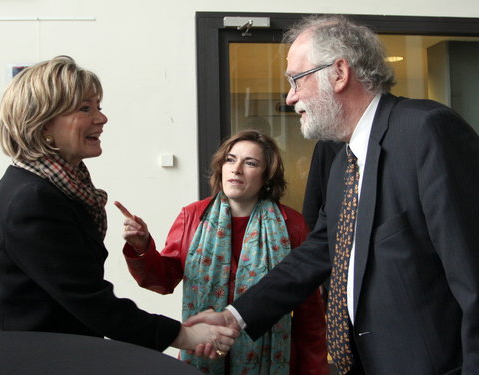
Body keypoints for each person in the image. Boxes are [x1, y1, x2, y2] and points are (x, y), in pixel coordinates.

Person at [186, 15, 479, 375]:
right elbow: (321, 249)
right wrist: (235, 316)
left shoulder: (426, 131)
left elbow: (472, 275)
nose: (290, 96)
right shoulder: (343, 159)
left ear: (339, 73)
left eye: (296, 79)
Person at [0, 55, 237, 357]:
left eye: (98, 106)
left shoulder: (54, 188)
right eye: (85, 108)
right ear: (44, 123)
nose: (102, 118)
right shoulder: (32, 199)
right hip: (40, 357)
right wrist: (184, 335)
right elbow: (89, 299)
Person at [115, 129, 329, 375]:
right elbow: (162, 281)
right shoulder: (192, 217)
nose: (236, 169)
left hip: (271, 362)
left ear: (266, 176)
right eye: (230, 159)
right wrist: (142, 247)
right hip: (201, 353)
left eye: (250, 163)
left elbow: (309, 318)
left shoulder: (292, 225)